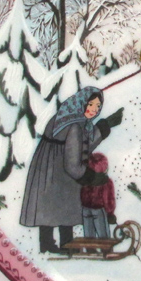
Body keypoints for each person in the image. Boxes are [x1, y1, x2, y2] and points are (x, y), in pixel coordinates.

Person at [19, 87, 123, 253]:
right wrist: (91, 177)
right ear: (82, 103)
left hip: (49, 171)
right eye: (91, 104)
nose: (94, 110)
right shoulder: (75, 126)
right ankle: (63, 245)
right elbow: (73, 164)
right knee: (62, 207)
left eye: (98, 106)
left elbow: (82, 144)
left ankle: (49, 244)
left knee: (51, 208)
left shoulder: (67, 116)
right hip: (60, 173)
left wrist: (104, 126)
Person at [80, 152, 116, 239]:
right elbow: (108, 199)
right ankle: (105, 248)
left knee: (88, 238)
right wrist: (110, 213)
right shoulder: (106, 181)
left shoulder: (86, 179)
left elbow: (82, 194)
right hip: (99, 209)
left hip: (86, 209)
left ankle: (90, 248)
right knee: (104, 238)